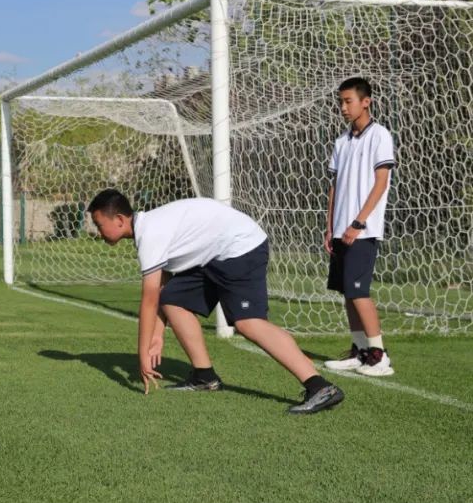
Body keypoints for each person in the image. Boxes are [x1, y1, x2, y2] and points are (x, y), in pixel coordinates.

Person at [87, 189, 344, 415]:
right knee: (174, 299)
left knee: (248, 324)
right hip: (214, 255)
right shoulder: (149, 227)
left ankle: (320, 387)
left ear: (120, 220)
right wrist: (157, 335)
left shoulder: (149, 234)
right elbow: (163, 287)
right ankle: (204, 376)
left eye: (99, 225)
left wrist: (142, 354)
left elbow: (148, 299)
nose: (98, 232)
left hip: (240, 248)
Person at [322, 77, 396, 376]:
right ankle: (359, 351)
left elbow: (381, 183)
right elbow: (335, 187)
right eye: (340, 101)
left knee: (359, 292)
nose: (343, 107)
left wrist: (358, 222)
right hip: (341, 230)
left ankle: (379, 355)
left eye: (348, 100)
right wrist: (330, 228)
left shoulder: (380, 135)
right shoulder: (342, 141)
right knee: (346, 292)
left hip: (362, 230)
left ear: (366, 101)